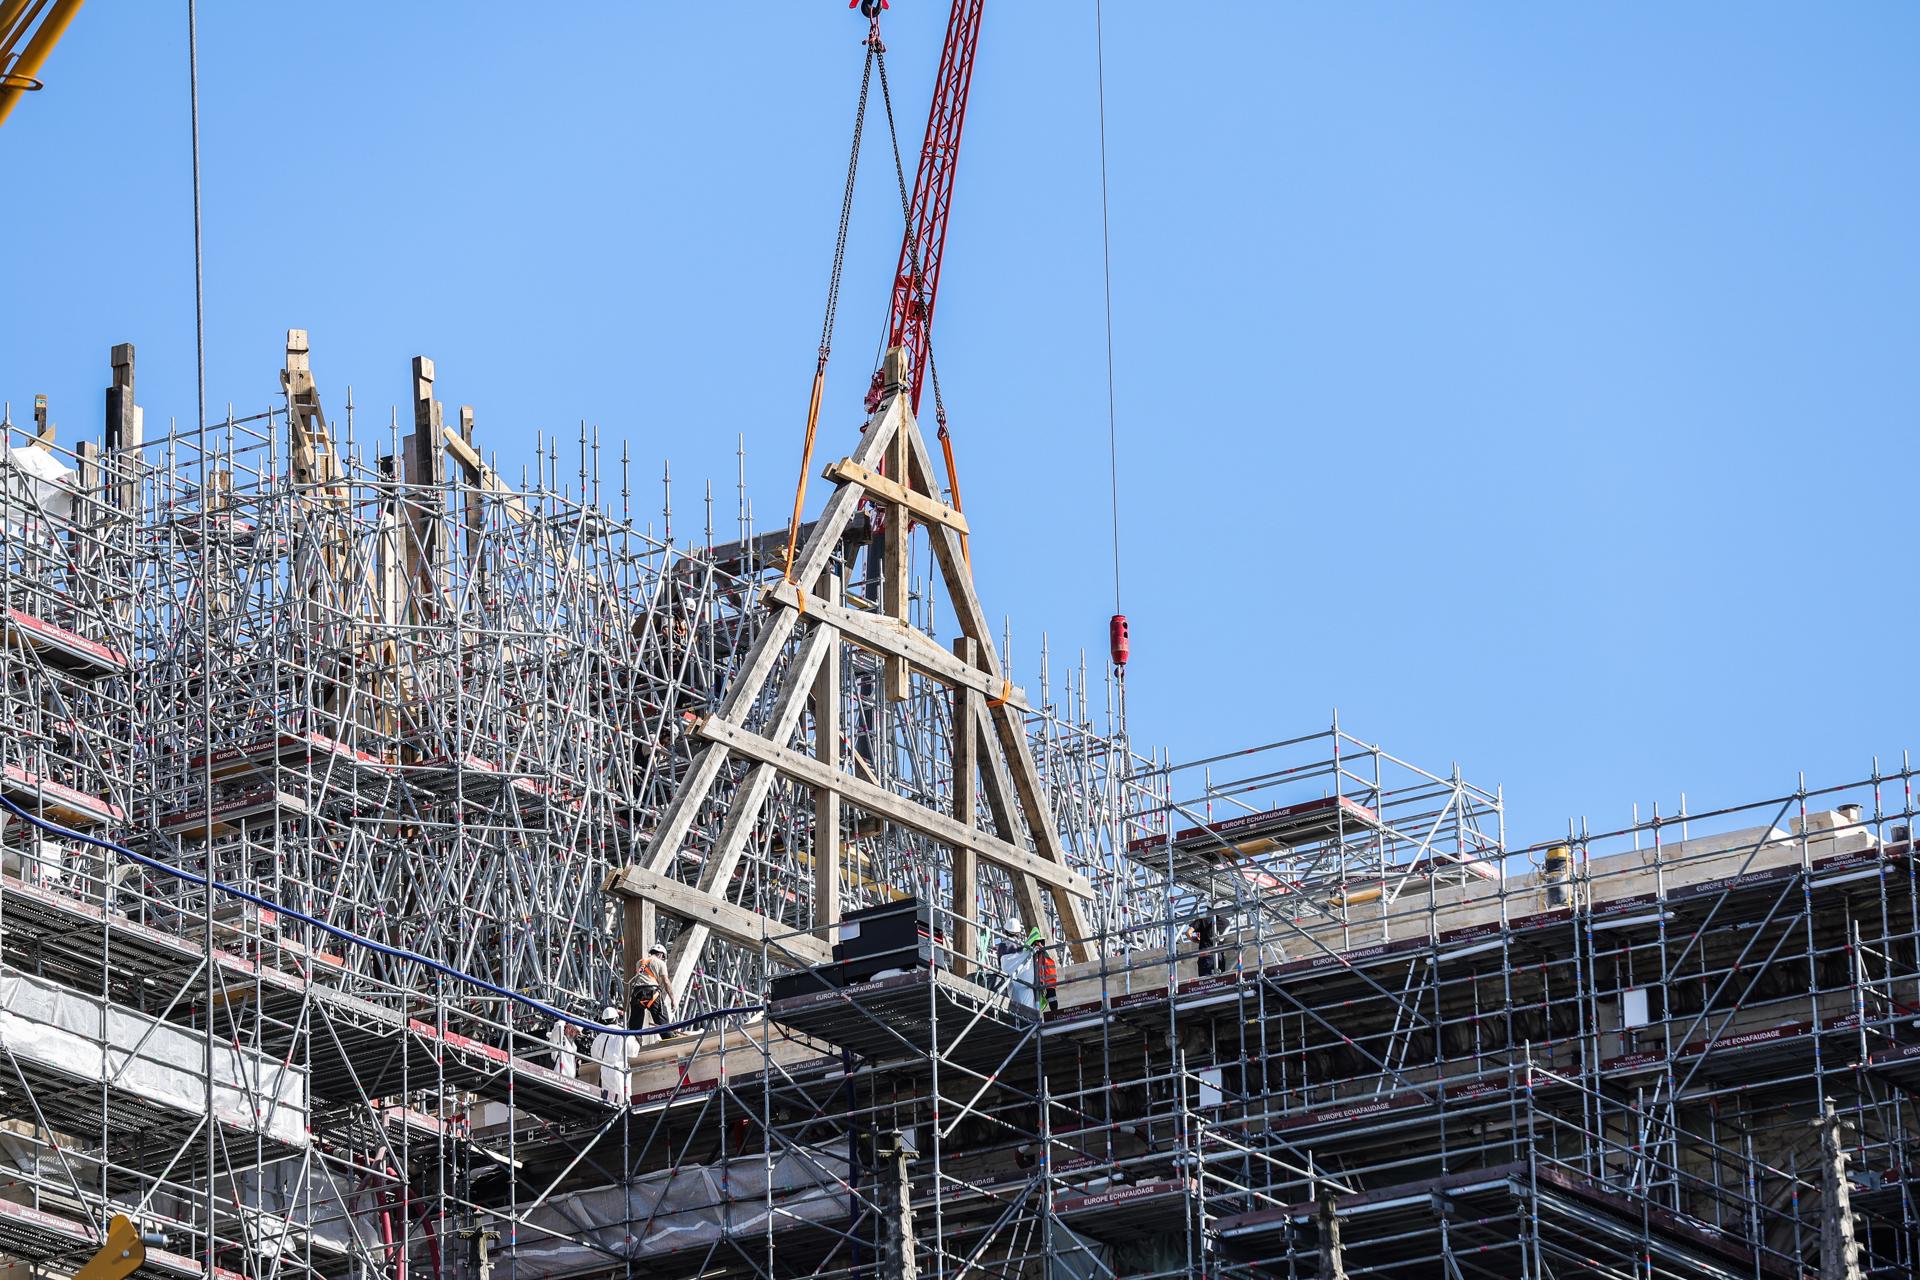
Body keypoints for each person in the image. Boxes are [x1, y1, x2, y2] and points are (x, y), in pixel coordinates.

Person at [630, 943, 678, 1038]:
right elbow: (666, 982)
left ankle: (633, 1046)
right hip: (651, 993)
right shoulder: (660, 963)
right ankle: (670, 1042)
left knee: (634, 1030)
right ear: (661, 955)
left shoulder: (639, 962)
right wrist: (673, 1000)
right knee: (664, 1025)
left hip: (637, 994)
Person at [588, 1004, 630, 1101]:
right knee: (623, 1098)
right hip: (619, 1068)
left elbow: (593, 1054)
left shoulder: (599, 1036)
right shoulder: (622, 1032)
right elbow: (632, 1051)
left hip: (605, 1069)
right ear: (616, 1019)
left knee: (609, 1099)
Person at [1025, 925, 1058, 1014]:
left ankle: (1054, 1014)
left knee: (1051, 996)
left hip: (1046, 983)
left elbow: (1048, 970)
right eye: (1037, 943)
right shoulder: (1034, 954)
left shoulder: (1043, 955)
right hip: (1042, 982)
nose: (1040, 945)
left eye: (1040, 943)